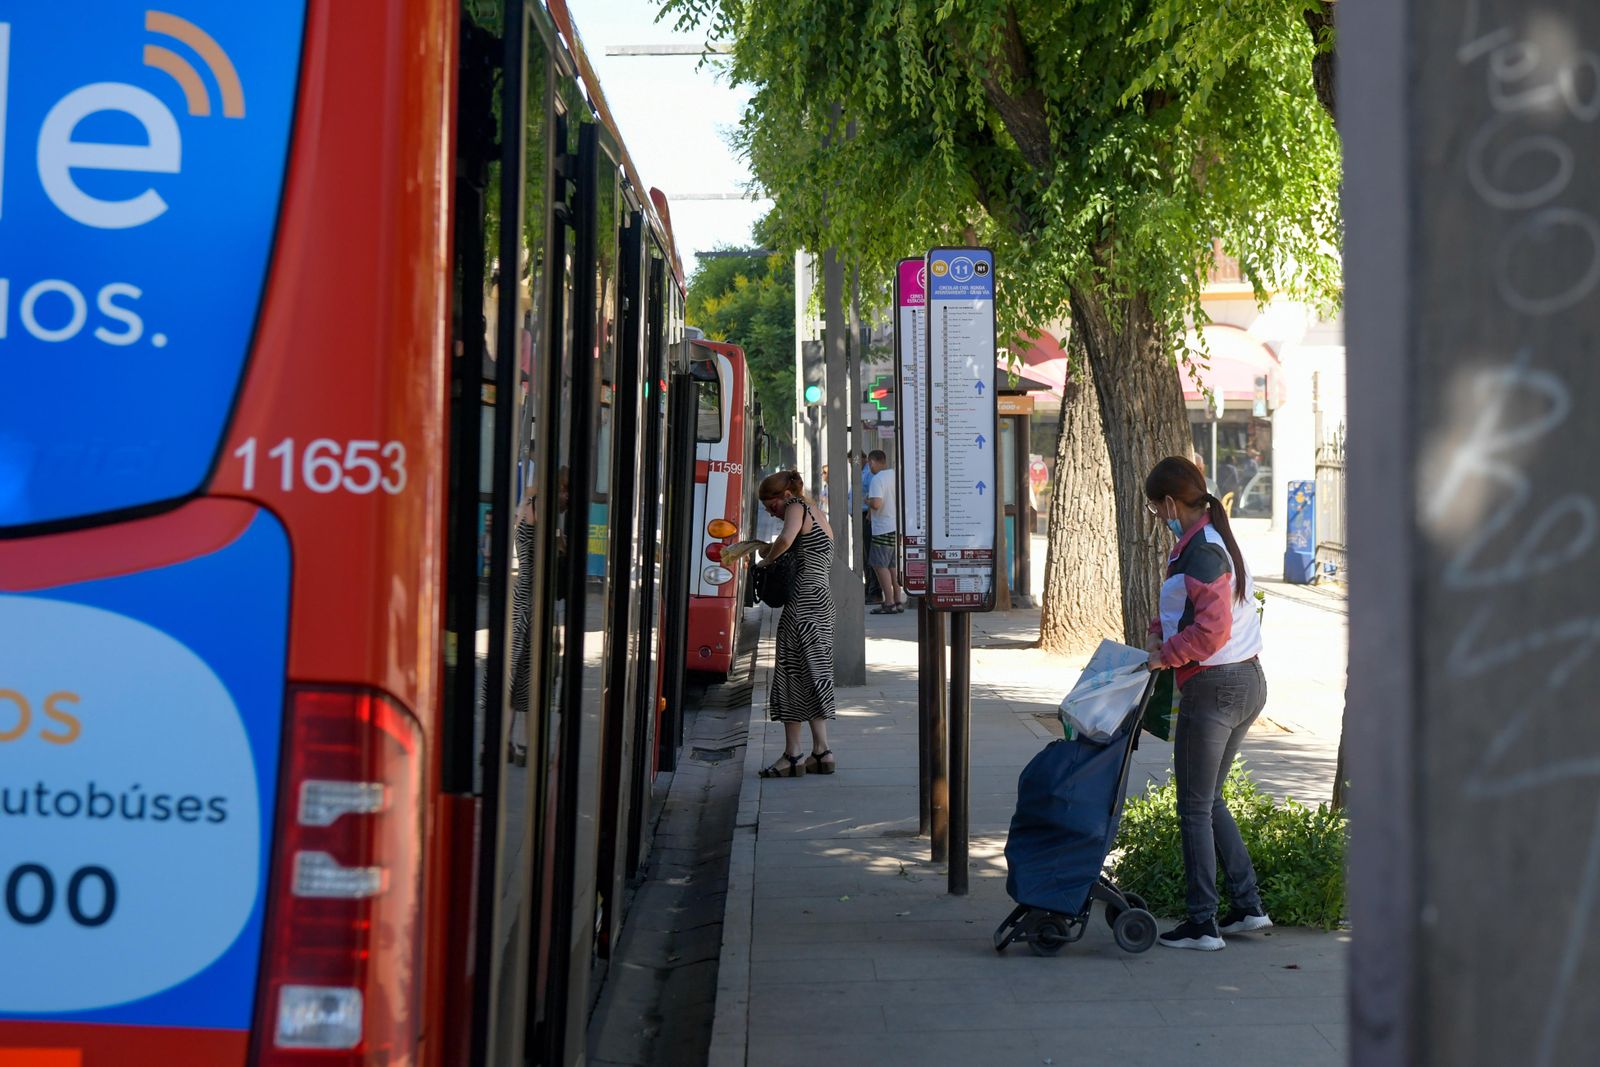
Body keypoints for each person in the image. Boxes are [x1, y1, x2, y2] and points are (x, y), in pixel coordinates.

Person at [1143, 455, 1270, 951]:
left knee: (1193, 808)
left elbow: (1210, 631)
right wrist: (1159, 636)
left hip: (1216, 685)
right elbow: (1184, 610)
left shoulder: (1203, 551)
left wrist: (1164, 657)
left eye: (1158, 508)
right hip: (1245, 681)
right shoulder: (1209, 539)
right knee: (1209, 800)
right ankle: (1248, 908)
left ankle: (1202, 923)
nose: (1158, 517)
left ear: (1172, 502)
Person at [753, 471, 838, 777]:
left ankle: (792, 754)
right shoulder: (818, 513)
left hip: (802, 602)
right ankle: (822, 751)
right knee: (814, 671)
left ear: (786, 495)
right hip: (823, 602)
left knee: (790, 672)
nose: (769, 510)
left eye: (770, 503)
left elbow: (787, 538)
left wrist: (766, 562)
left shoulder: (795, 506)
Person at [865, 449, 904, 614]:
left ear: (872, 462)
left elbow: (877, 503)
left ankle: (888, 602)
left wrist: (867, 500)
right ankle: (897, 600)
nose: (869, 467)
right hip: (896, 526)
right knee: (891, 565)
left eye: (869, 463)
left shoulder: (877, 479)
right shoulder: (895, 475)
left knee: (879, 565)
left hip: (882, 528)